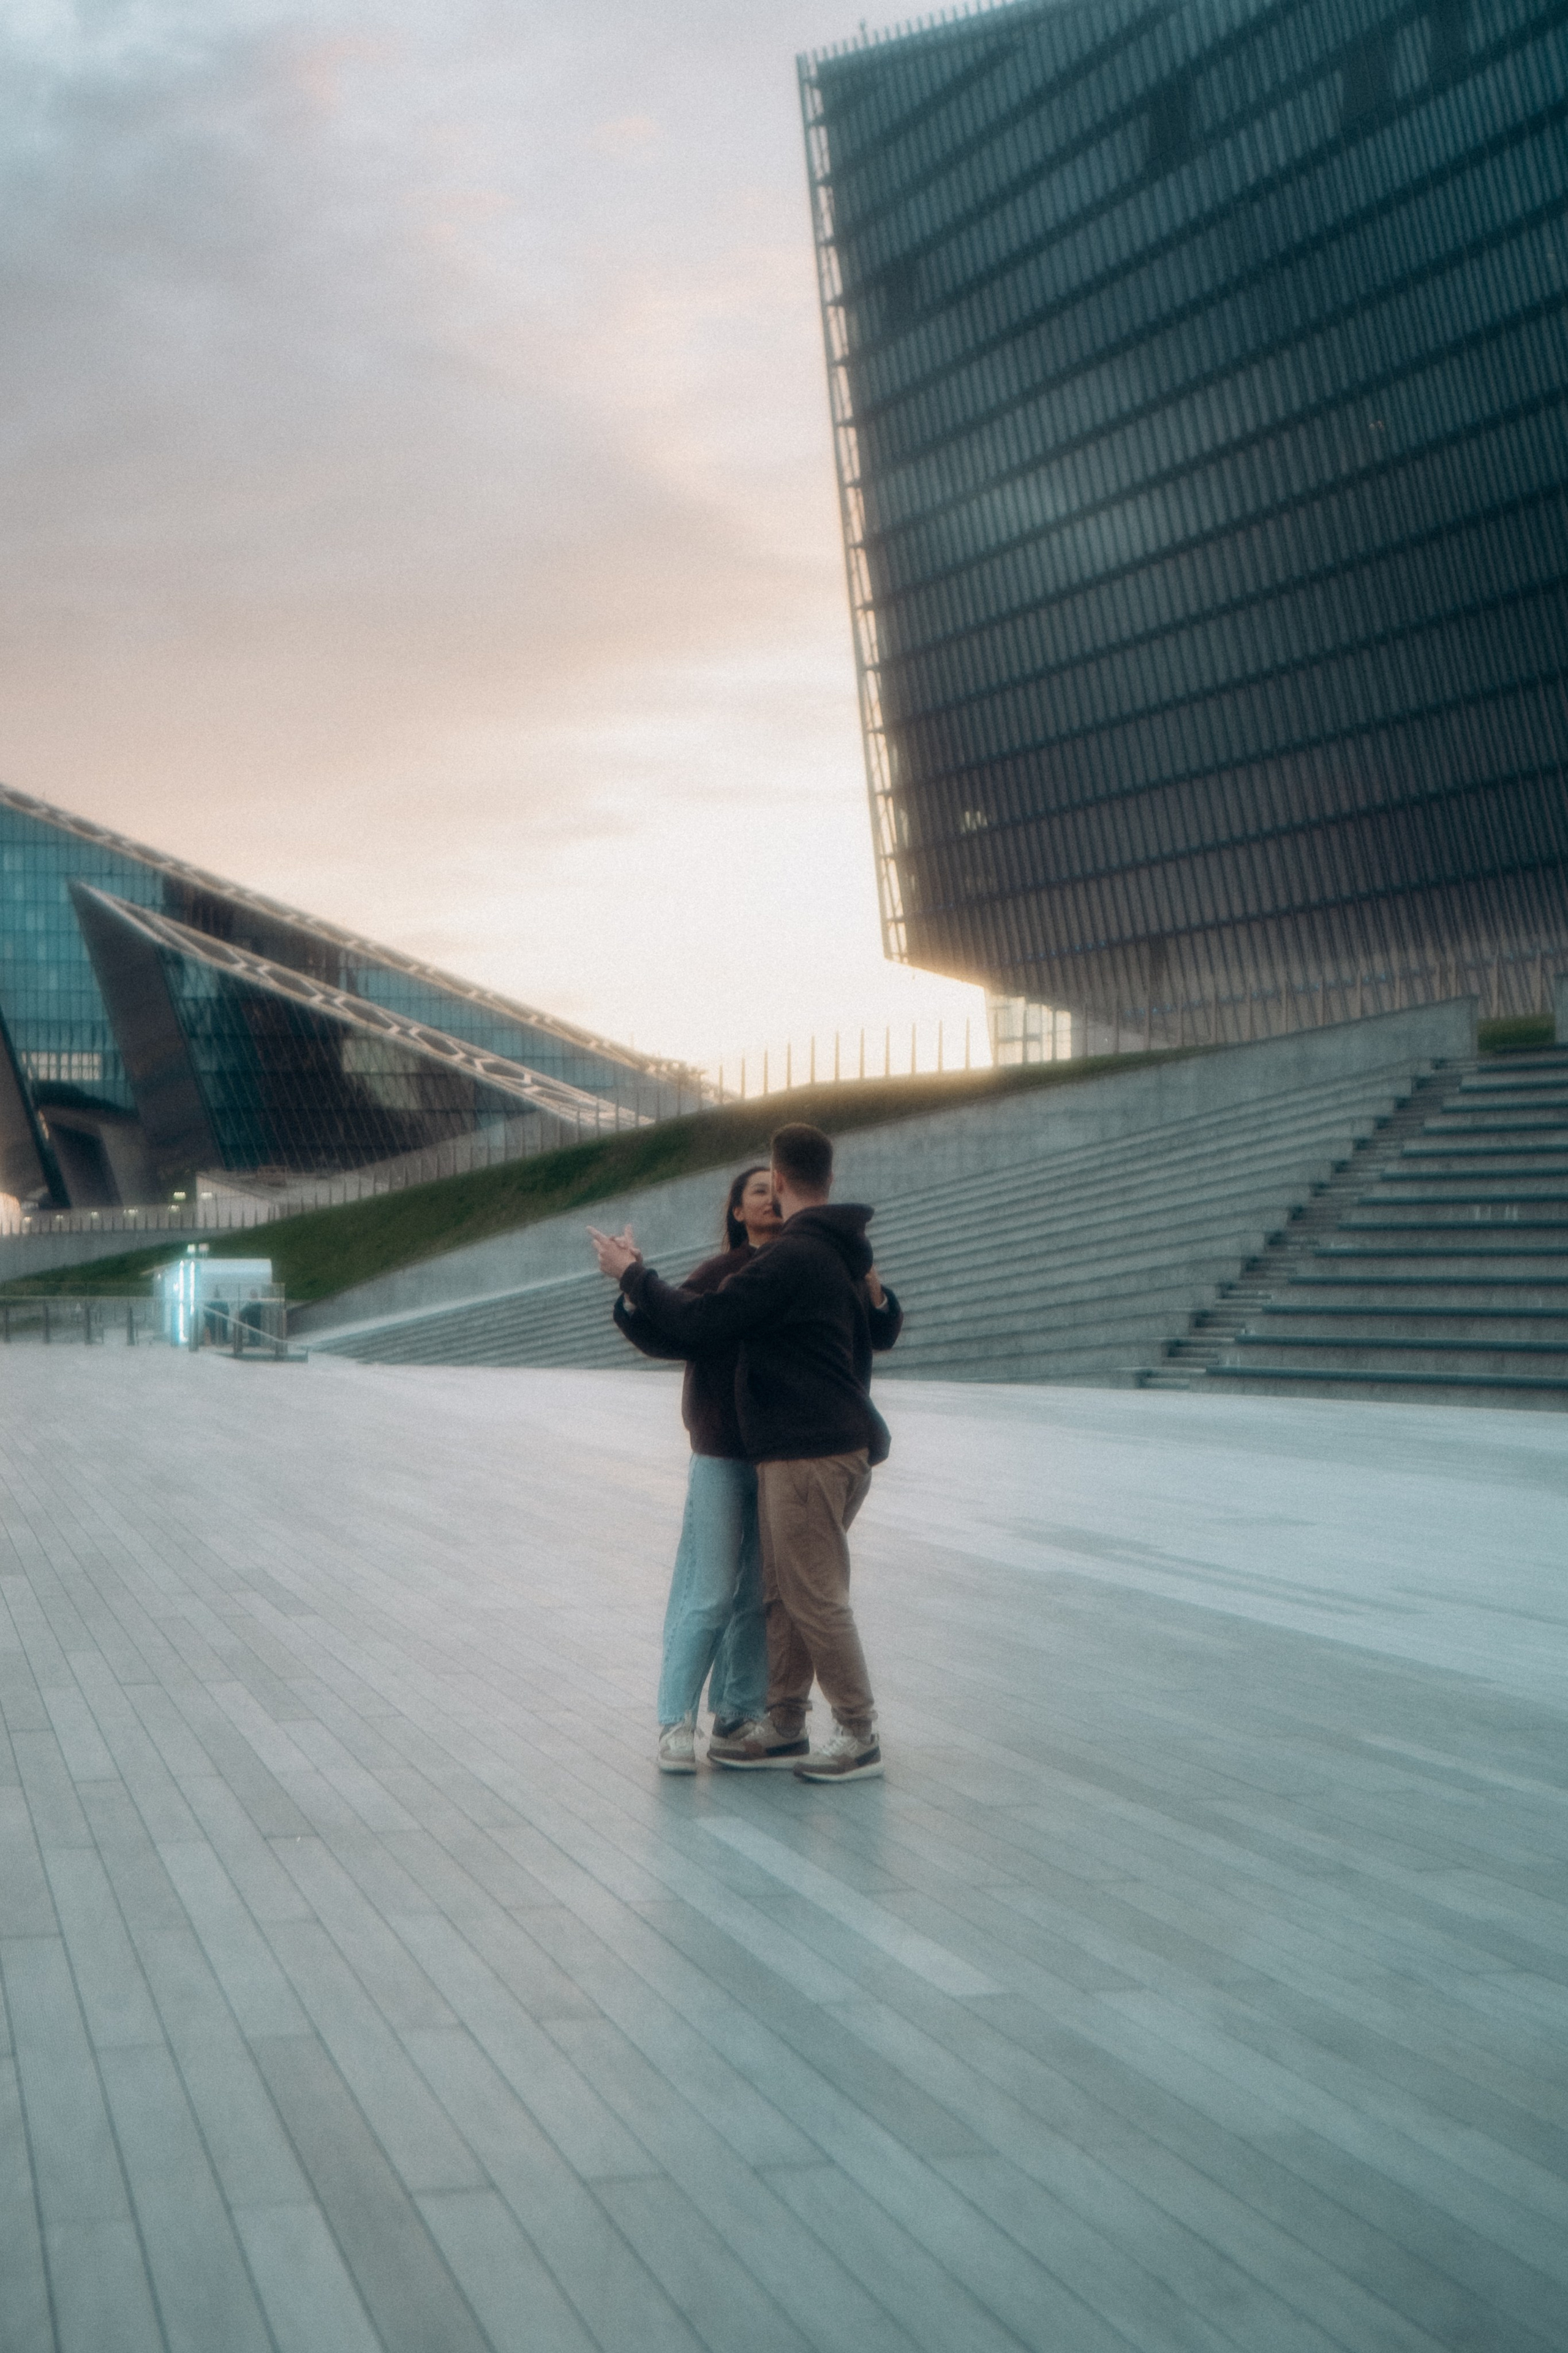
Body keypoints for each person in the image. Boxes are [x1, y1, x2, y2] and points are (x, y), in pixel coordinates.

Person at [590, 1122, 901, 1785]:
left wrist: (630, 1273)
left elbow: (699, 1324)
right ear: (830, 1179)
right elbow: (876, 1328)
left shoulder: (793, 1257)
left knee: (813, 1595)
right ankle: (783, 1722)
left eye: (769, 1183)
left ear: (782, 1182)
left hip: (808, 1451)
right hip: (810, 1449)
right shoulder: (836, 1249)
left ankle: (856, 1730)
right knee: (782, 1593)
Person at [611, 1166, 780, 1773]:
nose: (772, 1198)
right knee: (707, 1590)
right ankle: (675, 1720)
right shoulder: (718, 1274)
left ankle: (736, 1714)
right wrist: (635, 1284)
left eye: (778, 1188)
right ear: (736, 1211)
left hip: (779, 1457)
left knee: (757, 1593)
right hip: (719, 1453)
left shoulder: (798, 1269)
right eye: (758, 1191)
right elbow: (671, 1330)